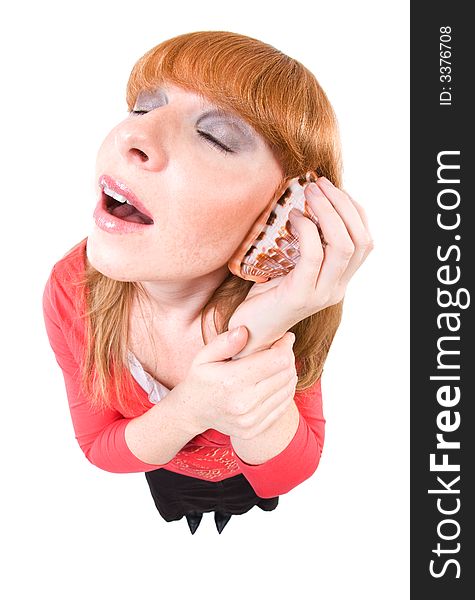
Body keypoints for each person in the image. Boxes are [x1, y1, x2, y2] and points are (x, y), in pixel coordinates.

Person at [42, 30, 373, 535]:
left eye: (215, 136)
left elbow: (285, 473)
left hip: (246, 474)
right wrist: (192, 407)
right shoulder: (71, 291)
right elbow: (101, 449)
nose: (134, 137)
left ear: (285, 211)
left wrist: (263, 330)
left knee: (245, 506)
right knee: (179, 509)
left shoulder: (286, 303)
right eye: (142, 107)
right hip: (161, 464)